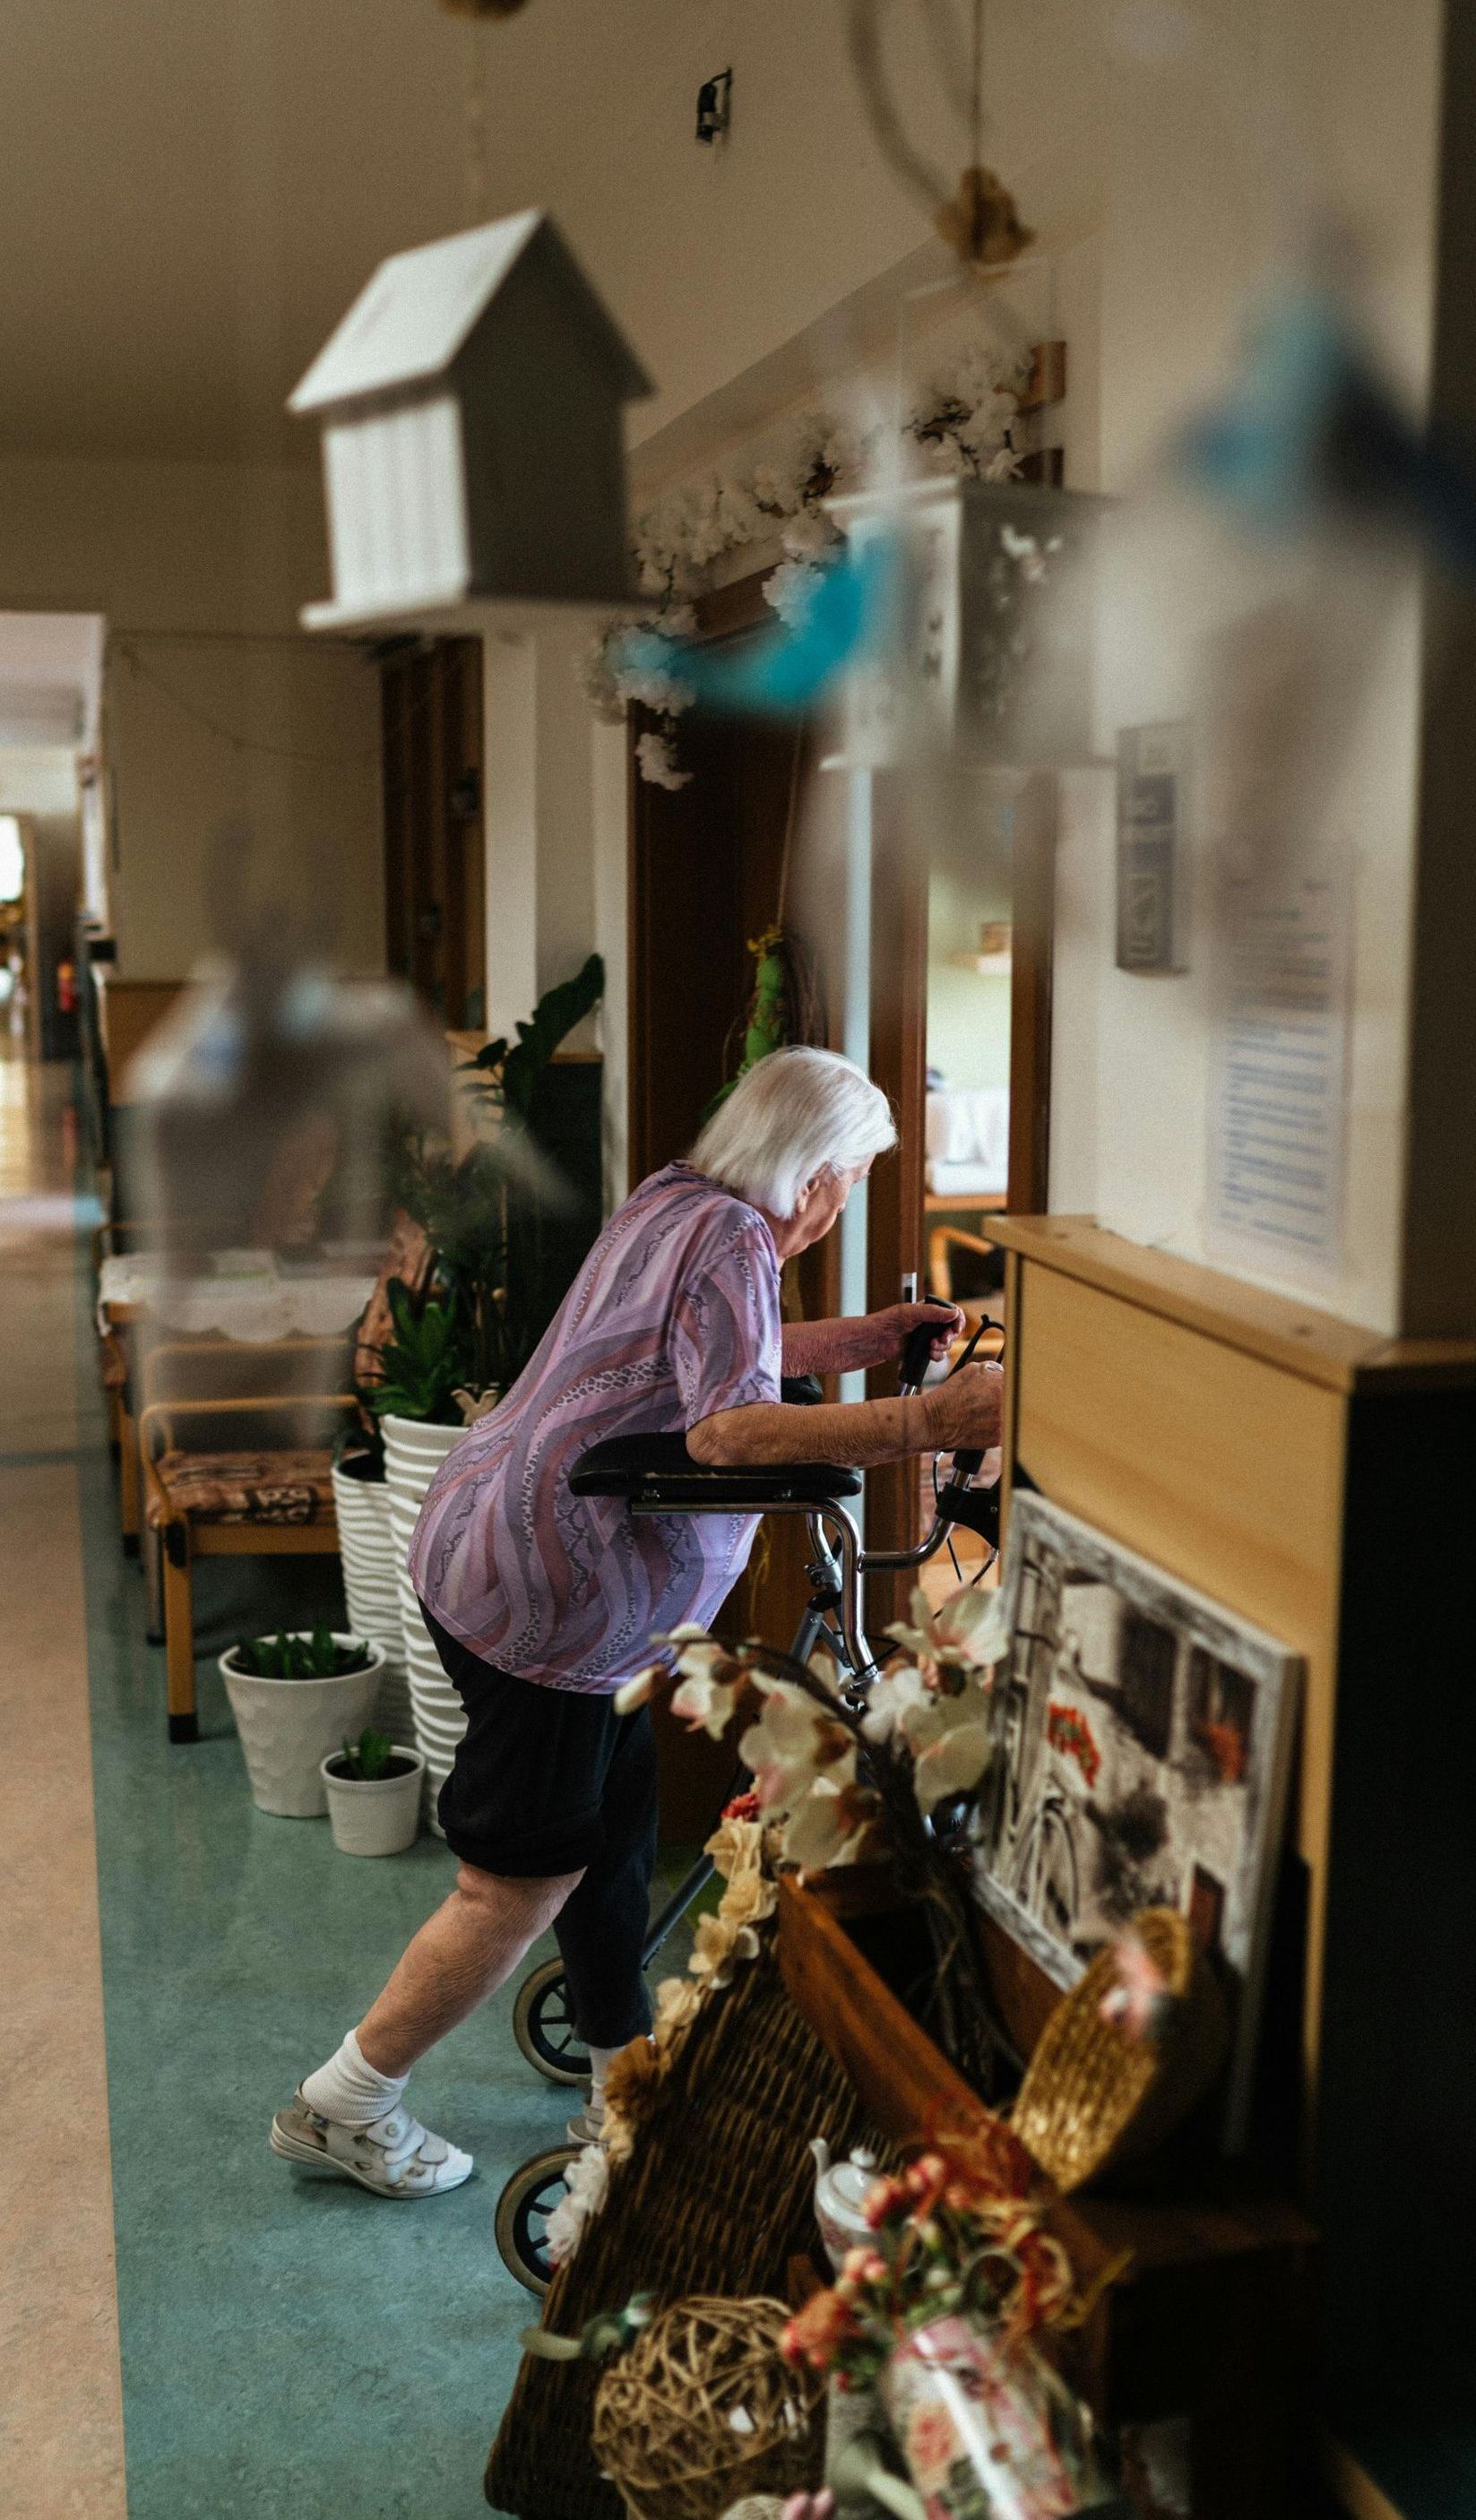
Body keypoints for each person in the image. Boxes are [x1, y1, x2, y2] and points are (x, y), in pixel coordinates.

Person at [271, 1048, 1003, 2198]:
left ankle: (621, 2072)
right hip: (553, 1601)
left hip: (507, 1559)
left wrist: (862, 1342)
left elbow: (719, 1355)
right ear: (812, 1173)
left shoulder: (682, 1199)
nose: (845, 1199)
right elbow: (725, 1428)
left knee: (609, 1834)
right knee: (512, 1883)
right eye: (852, 1177)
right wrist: (926, 1419)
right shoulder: (729, 1236)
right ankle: (345, 2101)